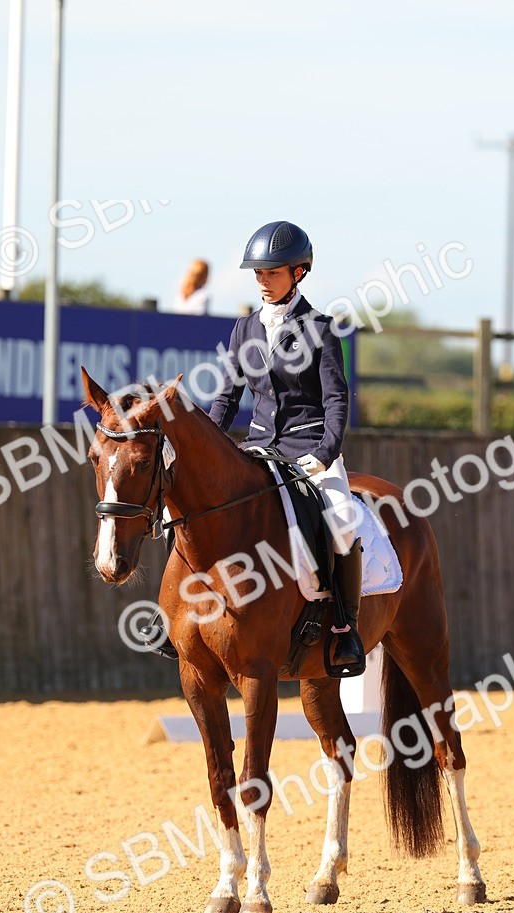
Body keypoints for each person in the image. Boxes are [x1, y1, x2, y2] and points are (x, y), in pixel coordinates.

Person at [206, 220, 363, 669]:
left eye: (271, 272)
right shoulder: (243, 330)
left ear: (298, 273)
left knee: (343, 523)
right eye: (257, 272)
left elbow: (336, 398)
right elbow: (226, 397)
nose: (262, 279)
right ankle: (179, 616)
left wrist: (326, 452)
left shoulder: (320, 328)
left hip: (310, 448)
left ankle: (344, 627)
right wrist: (213, 450)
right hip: (259, 448)